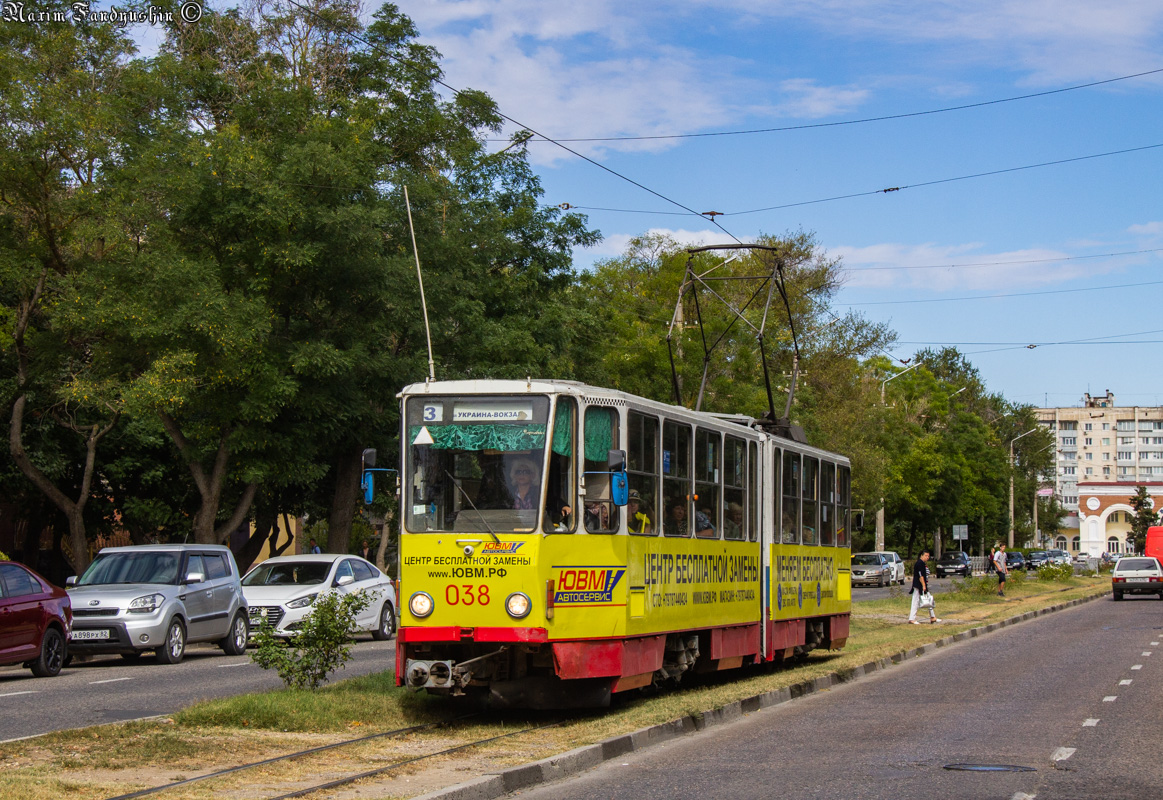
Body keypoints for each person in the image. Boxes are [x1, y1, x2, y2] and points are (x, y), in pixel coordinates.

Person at [908, 548, 940, 624]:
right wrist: (924, 586)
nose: (927, 558)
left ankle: (933, 617)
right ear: (921, 556)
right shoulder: (919, 563)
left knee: (929, 600)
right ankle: (912, 619)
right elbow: (920, 576)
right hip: (919, 585)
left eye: (928, 556)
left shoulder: (923, 563)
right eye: (926, 556)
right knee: (915, 601)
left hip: (923, 586)